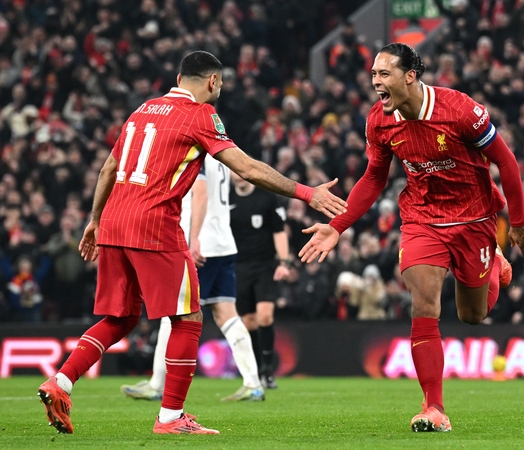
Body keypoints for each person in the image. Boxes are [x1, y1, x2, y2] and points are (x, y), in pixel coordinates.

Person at [36, 51, 347, 435]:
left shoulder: (143, 109)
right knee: (188, 319)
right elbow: (246, 168)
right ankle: (170, 417)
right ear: (212, 82)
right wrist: (306, 193)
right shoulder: (200, 115)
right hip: (154, 225)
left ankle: (61, 383)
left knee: (120, 317)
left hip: (114, 222)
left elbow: (108, 168)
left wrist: (94, 220)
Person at [299, 43, 524, 432]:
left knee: (472, 316)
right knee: (423, 302)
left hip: (475, 219)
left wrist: (516, 222)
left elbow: (506, 161)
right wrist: (338, 224)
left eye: (384, 75)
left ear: (410, 76)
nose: (376, 83)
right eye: (374, 75)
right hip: (422, 219)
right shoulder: (379, 122)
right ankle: (434, 407)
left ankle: (496, 266)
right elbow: (374, 178)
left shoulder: (461, 110)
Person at [119, 155, 265, 403]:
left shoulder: (196, 150)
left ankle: (157, 384)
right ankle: (253, 383)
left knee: (173, 311)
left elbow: (200, 192)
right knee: (226, 313)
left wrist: (193, 238)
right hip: (223, 243)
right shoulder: (220, 152)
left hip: (201, 245)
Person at [229, 170, 290, 390]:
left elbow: (278, 231)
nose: (239, 175)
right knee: (248, 323)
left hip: (265, 265)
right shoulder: (225, 197)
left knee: (265, 316)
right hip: (237, 267)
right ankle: (255, 370)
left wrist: (283, 262)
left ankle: (267, 370)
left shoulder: (267, 197)